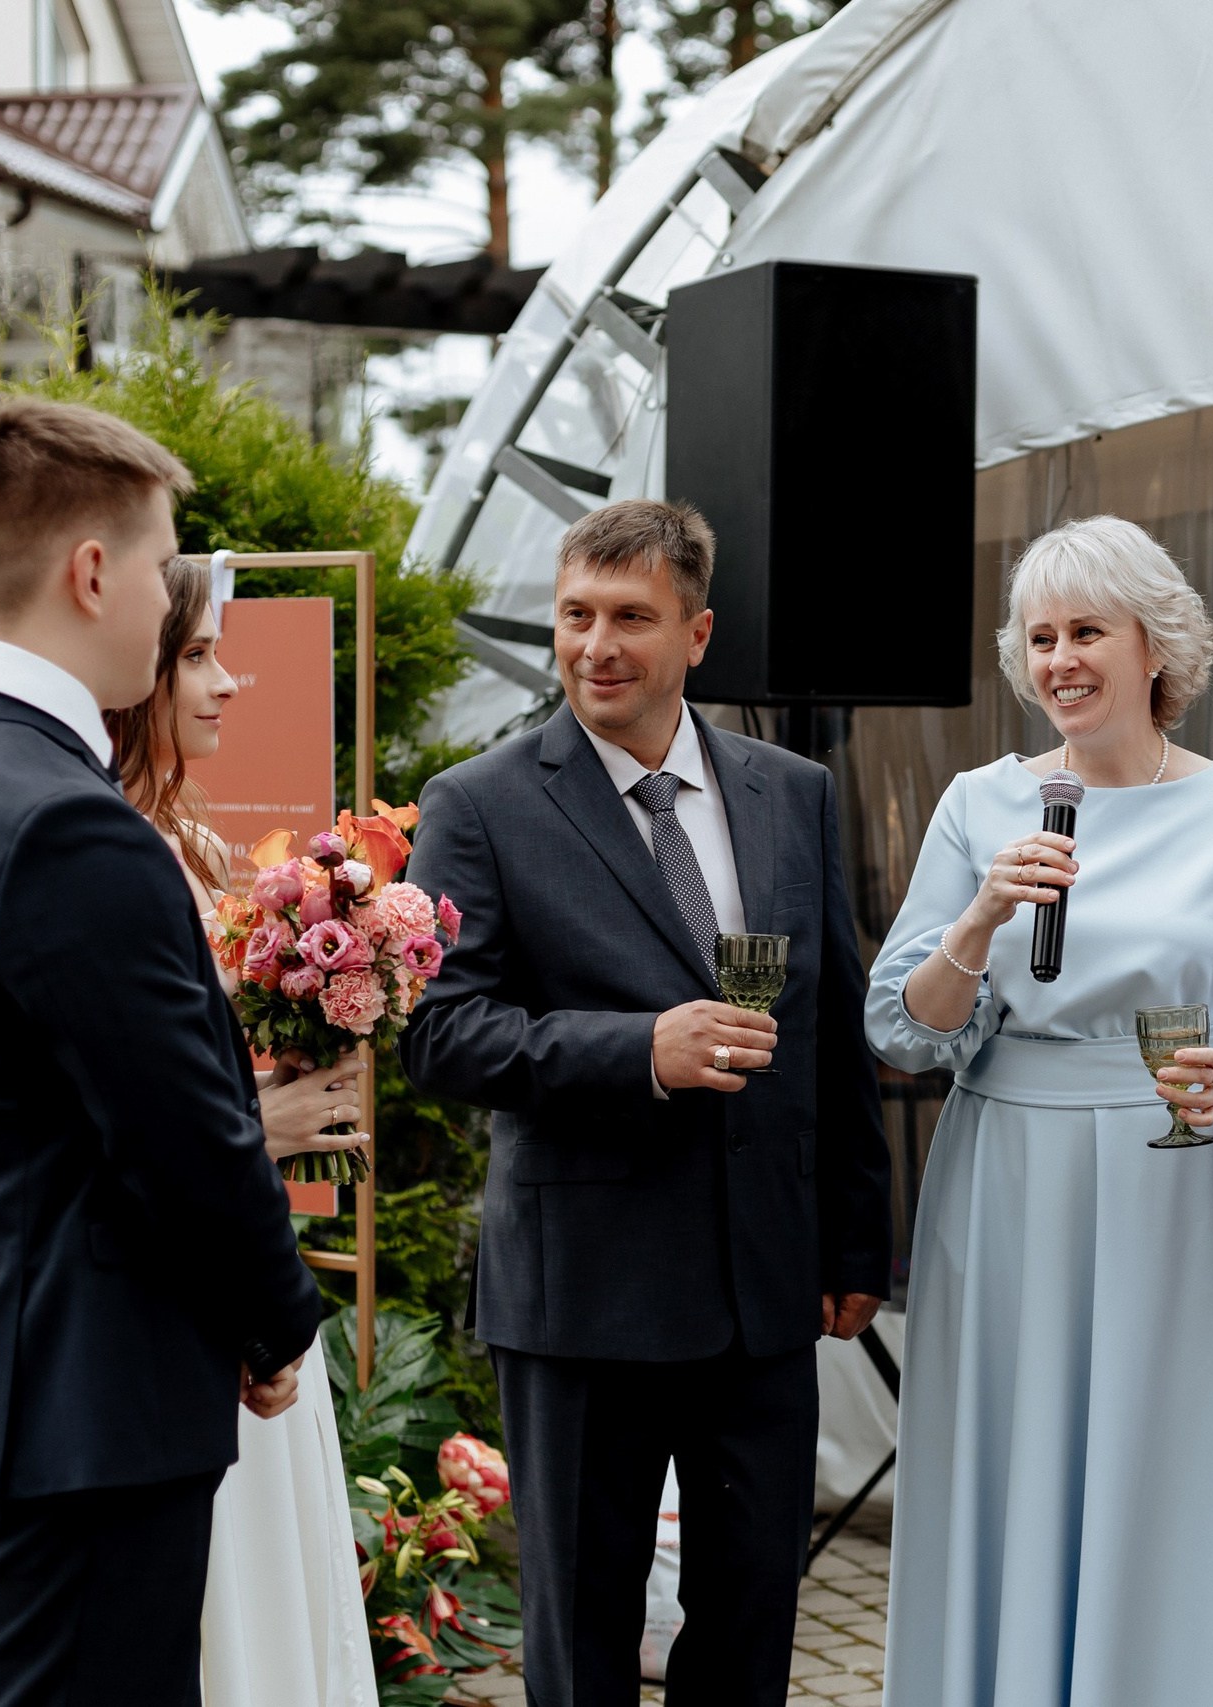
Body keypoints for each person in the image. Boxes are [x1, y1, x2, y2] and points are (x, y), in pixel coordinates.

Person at [0, 398, 321, 1706]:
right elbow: (181, 1135)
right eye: (166, 556)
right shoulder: (69, 824)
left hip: (0, 1378)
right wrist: (277, 1315)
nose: (172, 590)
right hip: (86, 1409)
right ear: (94, 570)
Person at [400, 498, 893, 1707]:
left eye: (631, 617)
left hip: (761, 1294)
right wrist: (640, 1052)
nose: (596, 645)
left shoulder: (793, 792)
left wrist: (854, 1238)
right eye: (576, 616)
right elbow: (440, 1035)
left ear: (698, 634)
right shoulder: (479, 803)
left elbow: (831, 1022)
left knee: (749, 1625)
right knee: (581, 1637)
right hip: (585, 1298)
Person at [866, 515, 1213, 1707]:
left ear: (1154, 647)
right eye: (1040, 638)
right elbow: (905, 1028)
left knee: (1169, 1467)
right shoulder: (981, 805)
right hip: (1007, 1182)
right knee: (1011, 1468)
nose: (1060, 659)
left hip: (1184, 1182)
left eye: (1087, 632)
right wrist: (975, 921)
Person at [101, 558, 376, 1707]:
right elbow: (137, 1124)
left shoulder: (196, 848)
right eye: (200, 656)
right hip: (188, 1298)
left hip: (247, 1280)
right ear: (140, 672)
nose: (228, 681)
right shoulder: (112, 848)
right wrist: (263, 1125)